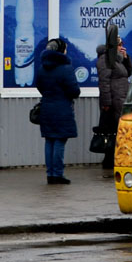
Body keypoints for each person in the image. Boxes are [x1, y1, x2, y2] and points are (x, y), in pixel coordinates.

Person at [35, 38, 80, 184]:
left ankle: (50, 174)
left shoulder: (42, 68)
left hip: (47, 108)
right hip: (62, 109)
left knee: (49, 140)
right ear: (60, 50)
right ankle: (58, 174)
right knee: (60, 140)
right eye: (65, 48)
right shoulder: (66, 68)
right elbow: (74, 91)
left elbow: (39, 86)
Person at [96, 37, 132, 175]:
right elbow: (104, 82)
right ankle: (110, 161)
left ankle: (113, 159)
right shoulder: (106, 59)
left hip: (121, 99)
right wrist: (106, 102)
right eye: (119, 44)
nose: (121, 46)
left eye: (122, 44)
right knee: (112, 132)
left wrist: (126, 58)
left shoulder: (118, 60)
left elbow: (128, 72)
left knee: (117, 131)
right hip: (113, 101)